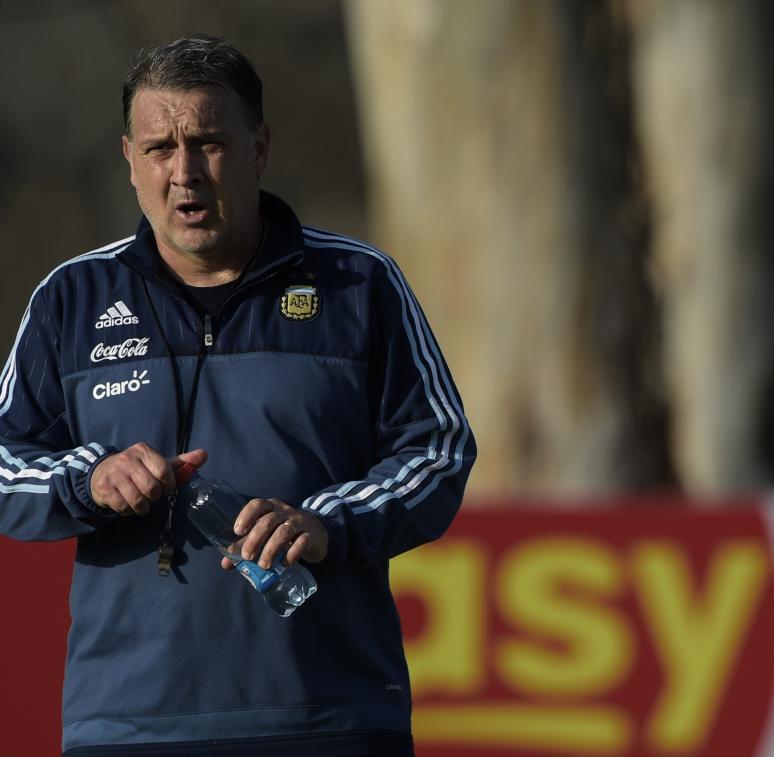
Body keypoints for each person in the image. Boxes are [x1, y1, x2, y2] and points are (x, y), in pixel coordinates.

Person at [0, 35, 474, 756]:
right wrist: (87, 477)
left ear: (259, 149)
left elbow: (438, 449)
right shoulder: (72, 298)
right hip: (129, 722)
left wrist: (328, 522)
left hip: (330, 718)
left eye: (209, 143)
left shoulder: (360, 283)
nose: (184, 172)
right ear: (130, 159)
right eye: (160, 148)